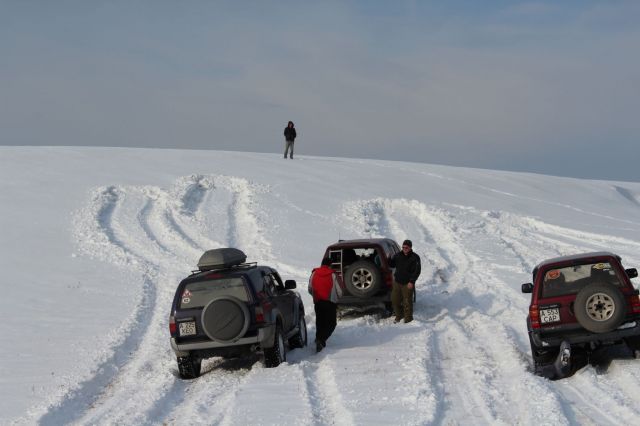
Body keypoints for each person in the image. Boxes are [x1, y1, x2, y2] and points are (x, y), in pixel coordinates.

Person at [308, 257, 342, 352]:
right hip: (330, 302)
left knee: (320, 322)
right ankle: (321, 340)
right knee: (331, 323)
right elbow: (339, 290)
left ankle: (318, 339)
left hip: (318, 302)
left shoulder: (314, 273)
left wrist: (316, 297)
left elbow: (310, 288)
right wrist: (337, 299)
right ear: (330, 265)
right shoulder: (333, 274)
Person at [388, 239, 421, 323]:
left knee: (407, 302)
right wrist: (388, 258)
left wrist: (412, 281)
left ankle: (408, 320)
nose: (404, 249)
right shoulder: (398, 255)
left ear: (410, 248)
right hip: (397, 282)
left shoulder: (415, 257)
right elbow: (392, 264)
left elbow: (417, 271)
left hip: (408, 283)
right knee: (395, 300)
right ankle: (399, 315)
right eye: (403, 247)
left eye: (406, 247)